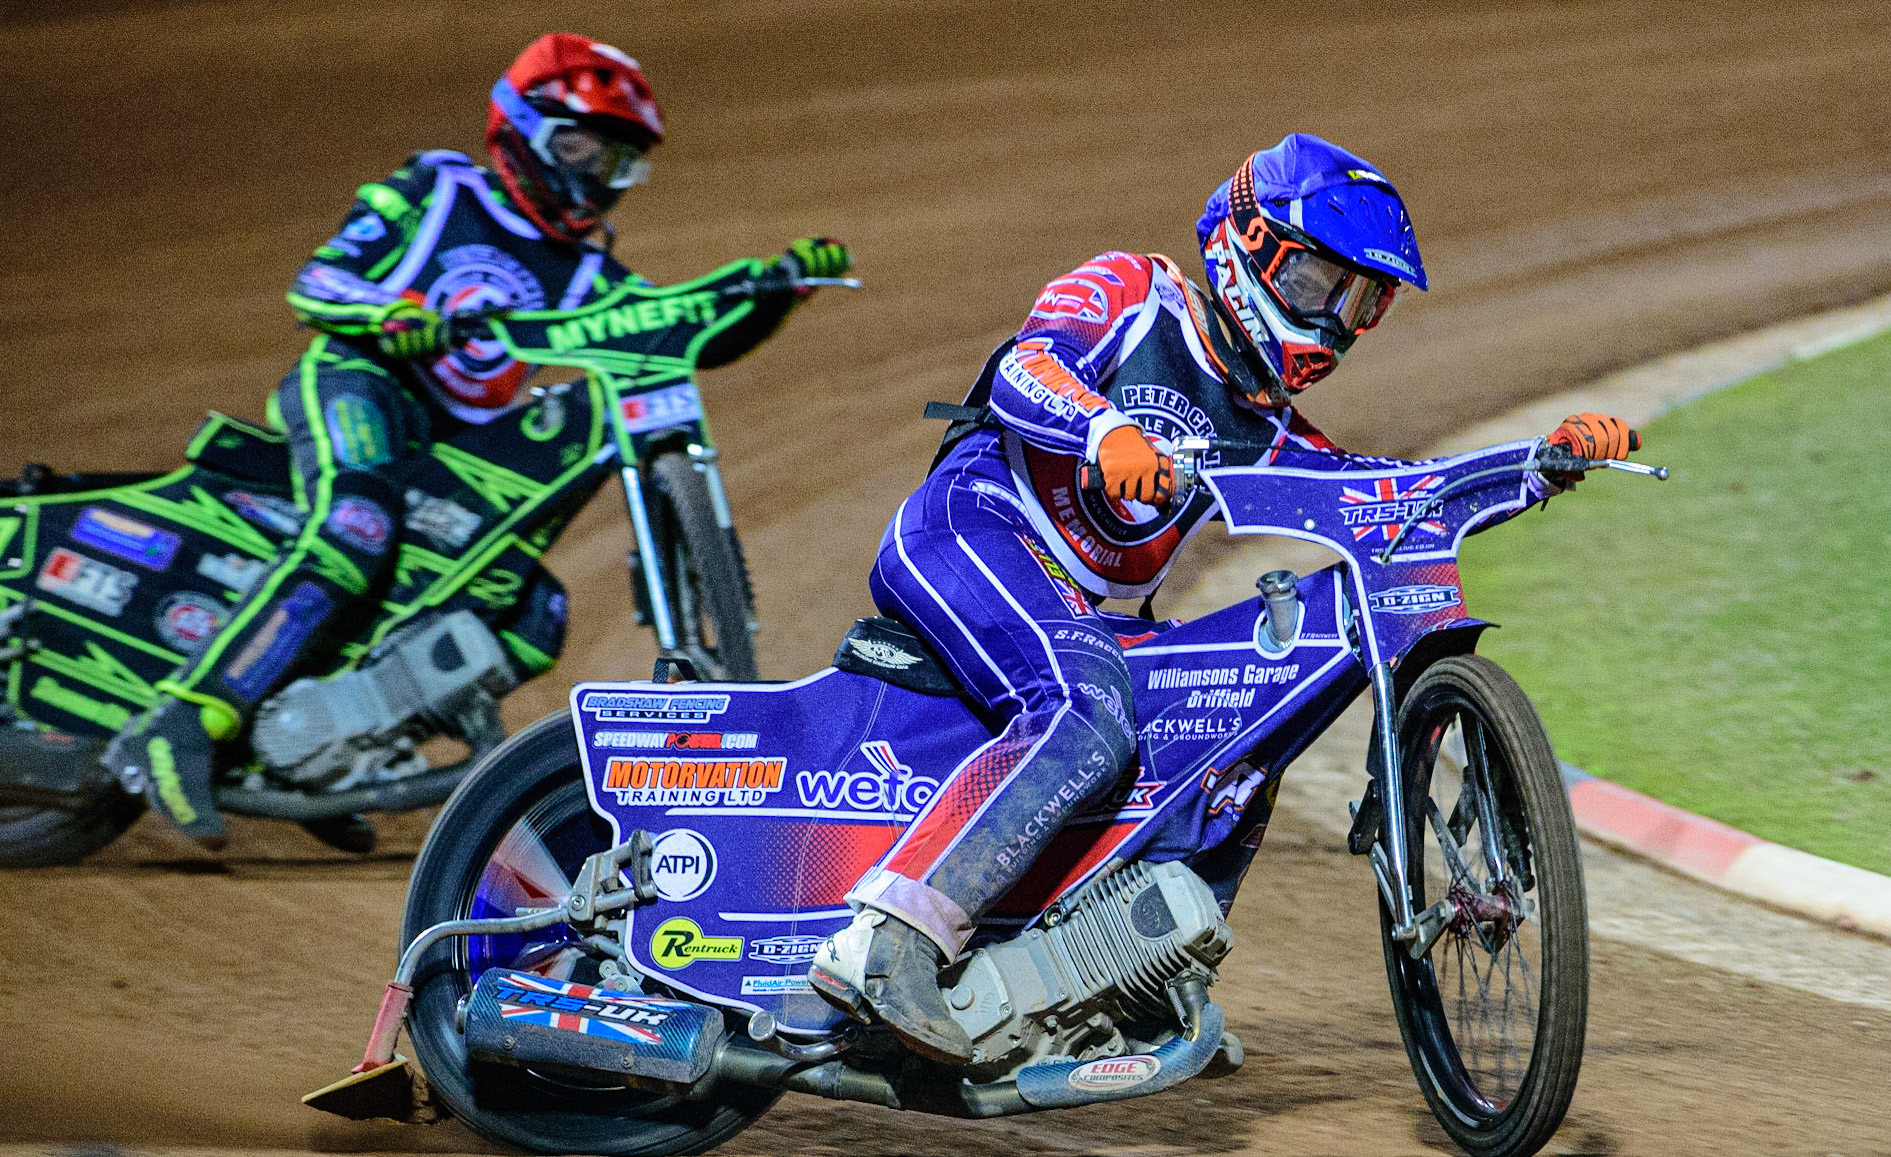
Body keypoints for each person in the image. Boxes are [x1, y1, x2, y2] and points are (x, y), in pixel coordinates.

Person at [809, 133, 1634, 1062]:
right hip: (971, 529)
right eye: (1323, 285)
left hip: (1088, 616)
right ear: (1251, 247)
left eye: (1363, 302)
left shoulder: (1273, 430)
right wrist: (1104, 430)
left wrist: (1538, 464)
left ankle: (1133, 978)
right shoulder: (1133, 291)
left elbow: (1392, 497)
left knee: (1235, 733)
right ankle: (888, 944)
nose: (1336, 323)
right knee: (1084, 710)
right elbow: (1025, 368)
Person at [104, 32, 852, 842]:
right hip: (359, 381)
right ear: (523, 130)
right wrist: (397, 317)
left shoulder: (589, 275)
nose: (600, 175)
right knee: (355, 529)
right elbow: (317, 283)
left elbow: (670, 340)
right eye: (583, 147)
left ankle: (326, 755)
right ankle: (181, 721)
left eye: (619, 160)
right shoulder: (436, 189)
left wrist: (775, 295)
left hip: (449, 440)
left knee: (532, 612)